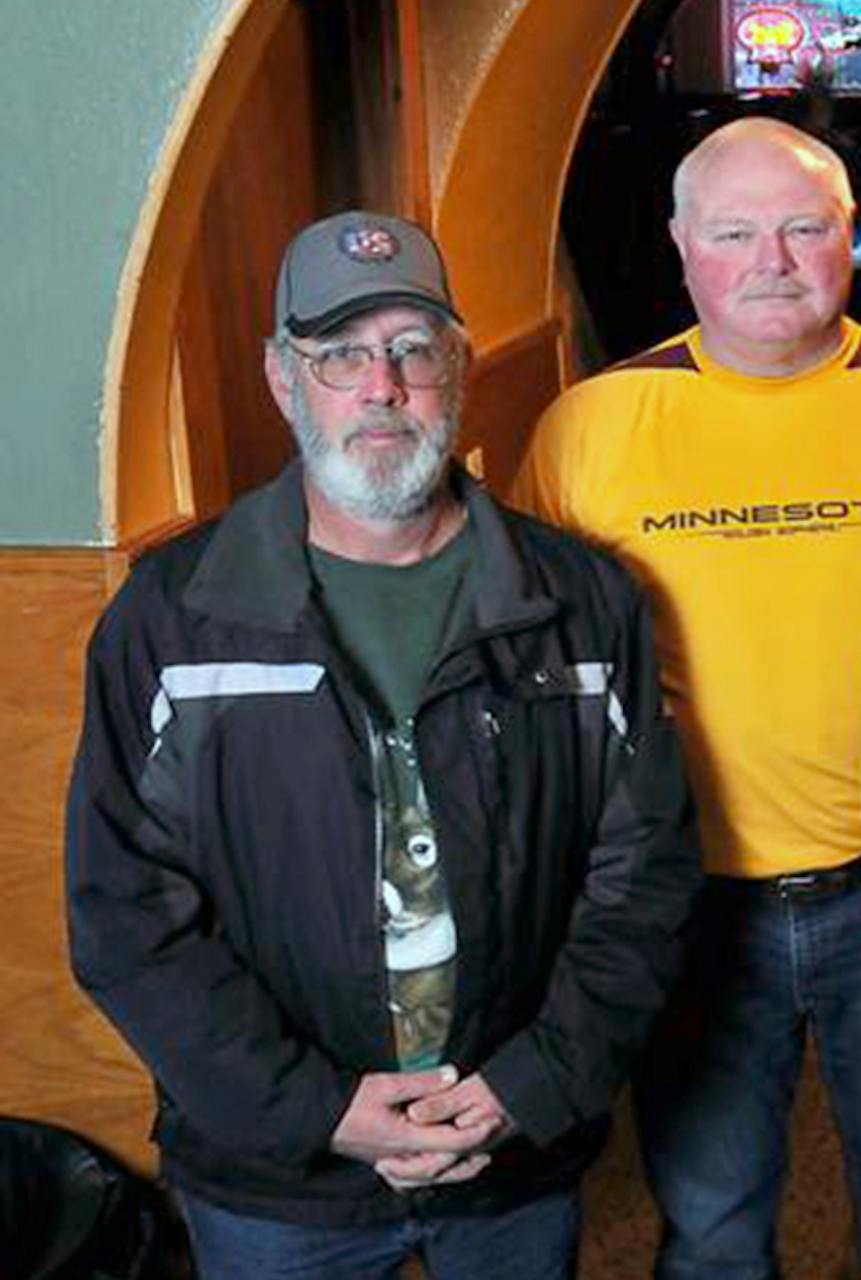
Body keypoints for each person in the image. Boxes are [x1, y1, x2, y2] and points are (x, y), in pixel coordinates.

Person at [65, 210, 701, 1277]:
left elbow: (646, 875)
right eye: (340, 354)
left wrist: (529, 1084)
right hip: (277, 1183)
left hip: (510, 1156)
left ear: (458, 369)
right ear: (283, 378)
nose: (382, 386)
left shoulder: (582, 602)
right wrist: (318, 1108)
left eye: (413, 348)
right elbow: (124, 915)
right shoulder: (172, 617)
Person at [512, 118, 861, 1280]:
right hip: (686, 907)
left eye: (805, 228)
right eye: (735, 233)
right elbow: (544, 689)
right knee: (712, 1234)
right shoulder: (588, 429)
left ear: (849, 235)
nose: (772, 260)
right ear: (681, 245)